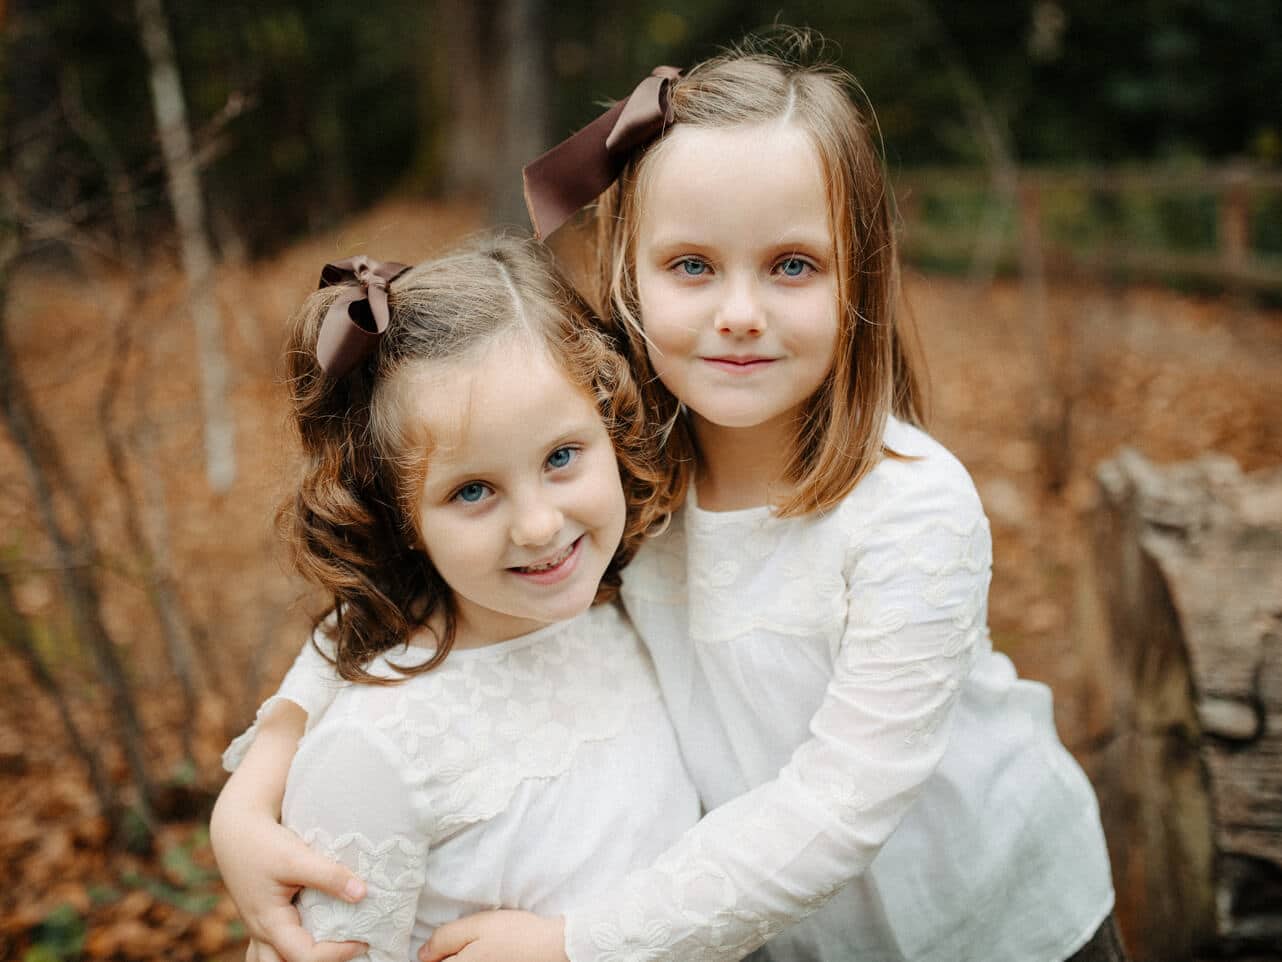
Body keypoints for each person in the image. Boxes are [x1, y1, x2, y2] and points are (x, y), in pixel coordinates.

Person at [213, 32, 1125, 962]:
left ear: (861, 276)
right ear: (629, 275)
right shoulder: (619, 465)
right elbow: (417, 578)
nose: (739, 310)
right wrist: (263, 771)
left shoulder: (910, 510)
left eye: (792, 265)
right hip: (770, 931)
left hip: (1002, 923)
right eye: (692, 265)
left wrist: (578, 945)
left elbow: (842, 804)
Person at [209, 236, 700, 962]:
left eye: (561, 457)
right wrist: (253, 789)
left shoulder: (630, 599)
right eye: (472, 490)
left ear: (612, 426)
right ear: (401, 518)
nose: (538, 525)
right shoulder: (375, 754)